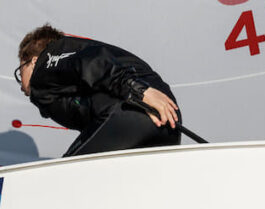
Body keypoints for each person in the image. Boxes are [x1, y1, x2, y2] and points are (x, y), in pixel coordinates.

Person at [15, 24, 181, 156]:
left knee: (64, 177)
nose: (21, 85)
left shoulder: (48, 59)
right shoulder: (62, 83)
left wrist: (139, 91)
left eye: (20, 71)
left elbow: (92, 61)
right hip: (168, 119)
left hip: (135, 107)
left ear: (33, 61)